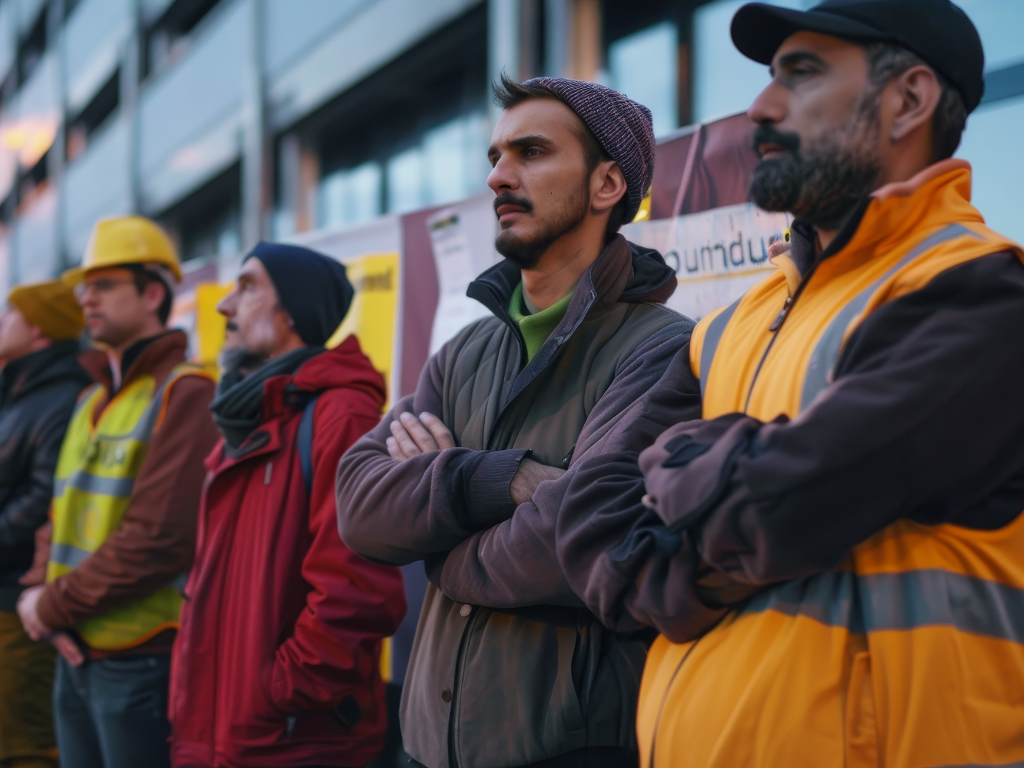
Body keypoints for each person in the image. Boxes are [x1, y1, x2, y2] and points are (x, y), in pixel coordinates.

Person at [555, 1, 1024, 767]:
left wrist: (692, 488)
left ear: (909, 99)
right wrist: (732, 501)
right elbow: (587, 521)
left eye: (800, 75)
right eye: (770, 77)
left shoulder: (983, 293)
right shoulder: (731, 324)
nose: (762, 107)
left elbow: (787, 499)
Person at [336, 75, 690, 768]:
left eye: (531, 152)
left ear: (607, 183)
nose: (499, 176)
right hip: (428, 746)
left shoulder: (663, 348)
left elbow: (576, 544)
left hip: (574, 746)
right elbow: (359, 504)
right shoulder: (464, 351)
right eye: (496, 157)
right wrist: (501, 481)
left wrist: (437, 545)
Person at [168, 242, 406, 768]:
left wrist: (282, 689)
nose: (224, 306)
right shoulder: (246, 419)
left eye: (248, 286)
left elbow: (359, 589)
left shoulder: (340, 415)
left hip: (289, 739)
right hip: (220, 731)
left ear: (294, 311)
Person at [17, 216, 219, 768]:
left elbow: (158, 539)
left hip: (140, 657)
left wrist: (49, 606)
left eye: (104, 286)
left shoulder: (188, 390)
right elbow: (57, 515)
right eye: (86, 287)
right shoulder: (89, 400)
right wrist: (39, 595)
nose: (87, 300)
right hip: (73, 647)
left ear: (153, 292)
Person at [0, 280, 93, 768]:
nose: (1, 322)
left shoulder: (60, 395)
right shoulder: (19, 387)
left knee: (24, 744)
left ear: (38, 329)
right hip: (12, 590)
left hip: (21, 596)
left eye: (10, 313)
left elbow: (44, 499)